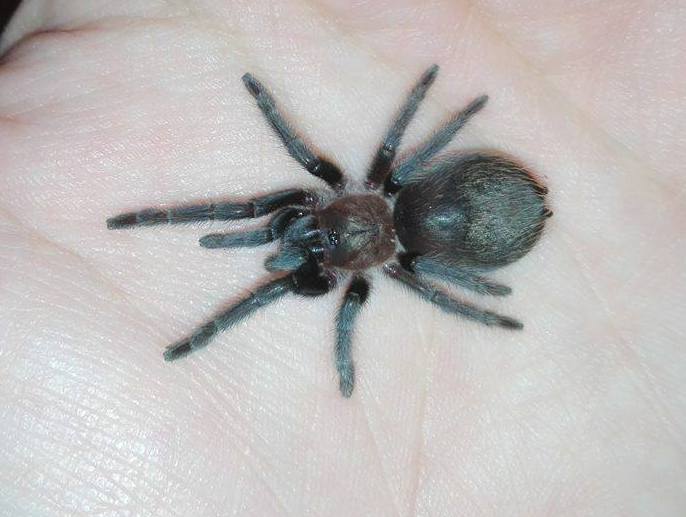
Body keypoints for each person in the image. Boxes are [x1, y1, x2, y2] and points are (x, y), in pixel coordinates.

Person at [1, 1, 684, 515]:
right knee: (406, 248)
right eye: (317, 244)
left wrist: (373, 342)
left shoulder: (377, 233)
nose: (306, 241)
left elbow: (395, 179)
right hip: (460, 219)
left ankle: (174, 275)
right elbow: (409, 171)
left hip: (481, 214)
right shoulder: (387, 212)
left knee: (302, 239)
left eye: (309, 235)